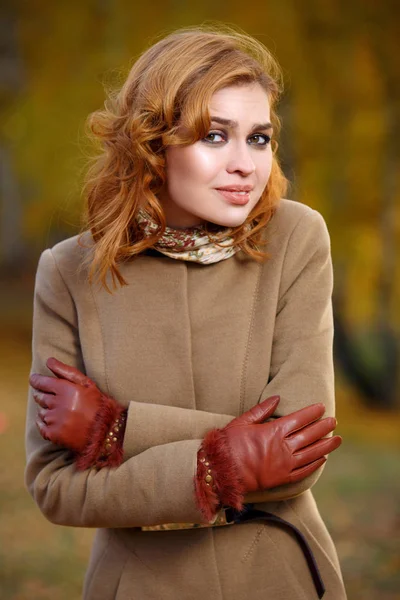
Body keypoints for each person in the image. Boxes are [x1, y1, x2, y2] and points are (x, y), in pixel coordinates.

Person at [25, 26, 347, 600]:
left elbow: (300, 451)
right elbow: (56, 487)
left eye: (258, 138)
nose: (245, 164)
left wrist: (114, 429)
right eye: (215, 135)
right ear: (154, 142)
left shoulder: (297, 237)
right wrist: (238, 459)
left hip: (279, 575)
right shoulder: (69, 272)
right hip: (138, 584)